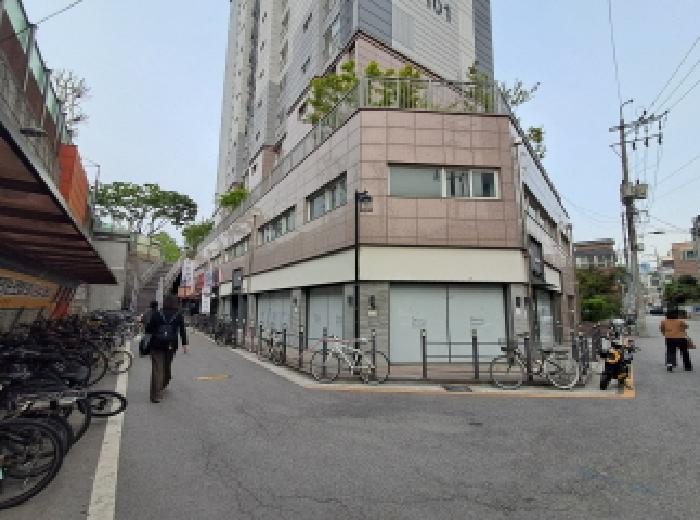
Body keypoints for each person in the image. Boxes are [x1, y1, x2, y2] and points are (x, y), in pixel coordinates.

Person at [145, 295, 188, 403]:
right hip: (171, 345)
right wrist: (184, 344)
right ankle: (164, 383)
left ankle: (156, 395)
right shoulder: (178, 315)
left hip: (156, 344)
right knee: (167, 366)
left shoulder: (157, 314)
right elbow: (182, 330)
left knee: (157, 368)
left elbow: (148, 329)